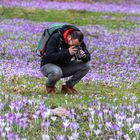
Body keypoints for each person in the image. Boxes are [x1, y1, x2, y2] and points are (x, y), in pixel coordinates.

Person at [40, 24, 90, 94]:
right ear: (69, 37)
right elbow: (49, 56)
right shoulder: (56, 38)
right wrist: (67, 52)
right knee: (57, 72)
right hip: (48, 65)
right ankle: (50, 86)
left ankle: (68, 86)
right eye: (73, 43)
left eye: (77, 45)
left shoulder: (78, 42)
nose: (74, 46)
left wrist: (84, 56)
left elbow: (87, 57)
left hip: (64, 66)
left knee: (86, 66)